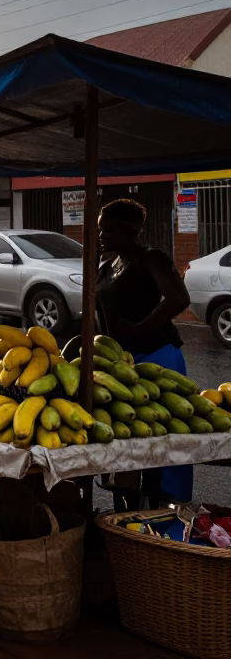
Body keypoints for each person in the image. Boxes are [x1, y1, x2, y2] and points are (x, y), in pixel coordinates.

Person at [96, 198, 192, 505]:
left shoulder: (152, 259)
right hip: (120, 365)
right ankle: (127, 512)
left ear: (131, 230)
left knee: (166, 435)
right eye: (100, 230)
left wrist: (140, 328)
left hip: (159, 355)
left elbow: (178, 299)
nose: (102, 236)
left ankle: (166, 509)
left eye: (109, 230)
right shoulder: (106, 266)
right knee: (127, 435)